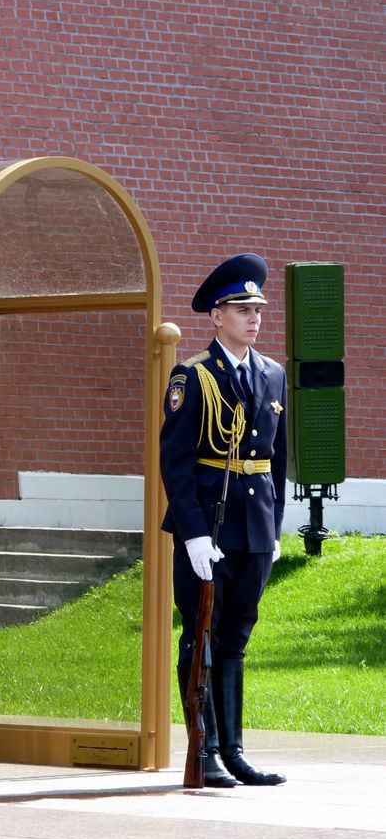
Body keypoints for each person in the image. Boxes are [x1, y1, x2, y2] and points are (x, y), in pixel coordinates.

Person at [160, 253, 287, 787]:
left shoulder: (272, 375)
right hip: (208, 527)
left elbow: (277, 460)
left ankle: (233, 750)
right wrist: (190, 533)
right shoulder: (193, 376)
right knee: (202, 636)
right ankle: (204, 750)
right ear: (216, 316)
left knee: (235, 637)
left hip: (253, 527)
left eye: (257, 308)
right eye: (241, 308)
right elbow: (177, 461)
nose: (253, 317)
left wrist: (274, 528)